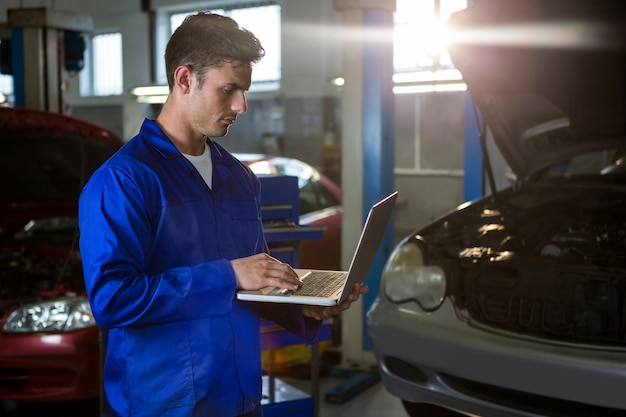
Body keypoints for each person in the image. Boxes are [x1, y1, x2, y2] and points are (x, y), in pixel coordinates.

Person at [78, 11, 367, 417]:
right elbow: (112, 299)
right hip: (165, 404)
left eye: (244, 91)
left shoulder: (239, 178)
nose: (241, 105)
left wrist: (305, 306)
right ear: (184, 79)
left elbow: (252, 288)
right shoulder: (124, 181)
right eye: (229, 90)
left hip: (241, 396)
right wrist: (228, 273)